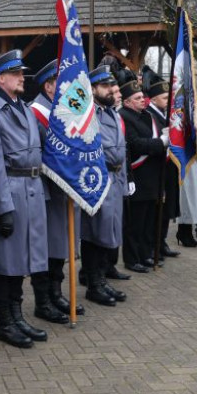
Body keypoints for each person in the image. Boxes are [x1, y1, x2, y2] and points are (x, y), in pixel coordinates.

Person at [0, 50, 50, 347]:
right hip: (10, 189)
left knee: (22, 259)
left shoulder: (23, 107)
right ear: (1, 78)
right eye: (17, 74)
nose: (23, 78)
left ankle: (18, 316)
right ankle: (5, 322)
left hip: (32, 189)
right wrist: (4, 207)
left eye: (22, 73)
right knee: (3, 261)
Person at [29, 60, 80, 323]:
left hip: (64, 190)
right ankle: (43, 300)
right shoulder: (36, 113)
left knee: (61, 243)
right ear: (49, 86)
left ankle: (57, 293)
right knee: (45, 246)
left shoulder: (60, 110)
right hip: (47, 190)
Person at [79, 65, 128, 307]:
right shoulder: (87, 114)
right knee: (94, 234)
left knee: (108, 232)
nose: (112, 90)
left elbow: (122, 149)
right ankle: (93, 284)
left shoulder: (112, 113)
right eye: (106, 86)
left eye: (112, 85)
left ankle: (101, 278)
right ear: (94, 88)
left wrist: (125, 180)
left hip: (115, 180)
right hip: (97, 179)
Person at [119, 76, 169, 272]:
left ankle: (146, 253)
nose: (143, 100)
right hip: (138, 176)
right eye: (138, 97)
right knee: (136, 223)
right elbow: (136, 144)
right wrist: (161, 143)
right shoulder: (124, 116)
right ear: (127, 101)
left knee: (149, 221)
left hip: (153, 176)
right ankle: (132, 259)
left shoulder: (147, 116)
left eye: (142, 96)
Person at [145, 78, 181, 256]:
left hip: (169, 165)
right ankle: (153, 244)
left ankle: (162, 241)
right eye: (165, 98)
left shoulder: (166, 113)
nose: (169, 101)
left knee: (167, 207)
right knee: (157, 208)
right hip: (157, 166)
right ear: (153, 99)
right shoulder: (149, 115)